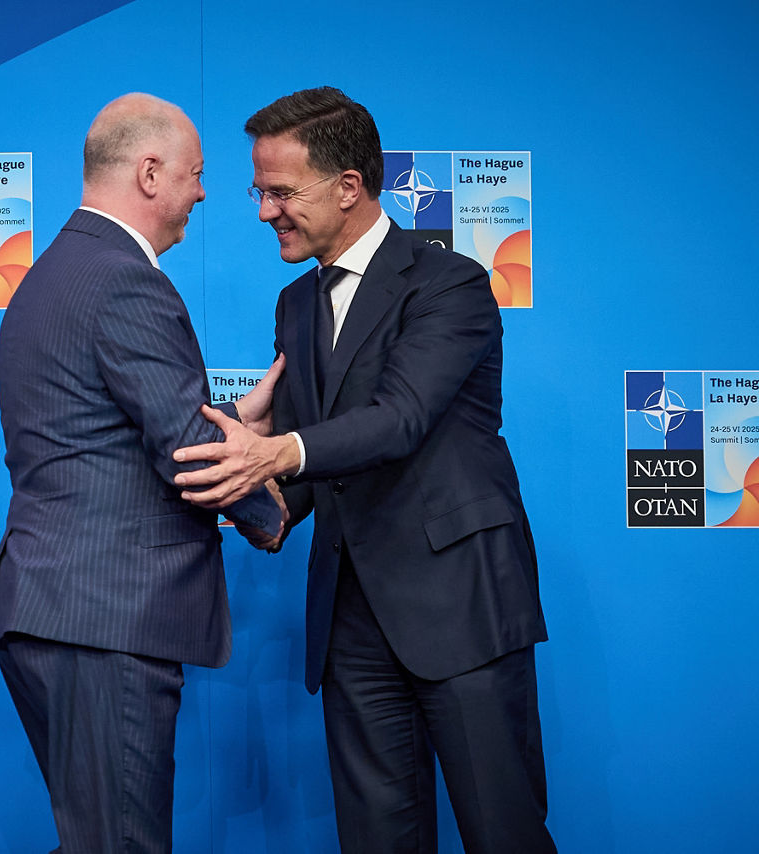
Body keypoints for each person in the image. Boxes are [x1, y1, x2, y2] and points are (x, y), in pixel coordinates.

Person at [171, 87, 555, 853]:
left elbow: (400, 418)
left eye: (281, 192)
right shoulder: (295, 305)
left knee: (502, 831)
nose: (262, 212)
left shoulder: (450, 284)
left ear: (349, 186)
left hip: (461, 608)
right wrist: (263, 496)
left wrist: (278, 451)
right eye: (259, 191)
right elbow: (322, 454)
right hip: (351, 620)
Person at [0, 93, 283, 853]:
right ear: (150, 174)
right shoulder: (124, 278)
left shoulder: (58, 270)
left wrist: (232, 429)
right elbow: (184, 443)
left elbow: (117, 429)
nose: (206, 193)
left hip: (62, 609)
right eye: (197, 173)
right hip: (102, 617)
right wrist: (271, 508)